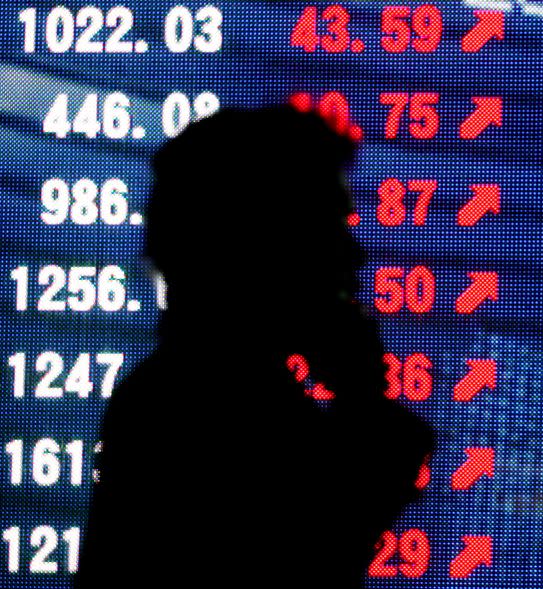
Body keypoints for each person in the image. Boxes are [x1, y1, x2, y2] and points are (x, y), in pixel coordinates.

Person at [74, 106, 435, 588]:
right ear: (262, 246)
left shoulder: (171, 396)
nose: (354, 254)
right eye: (329, 227)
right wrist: (362, 393)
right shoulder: (205, 412)